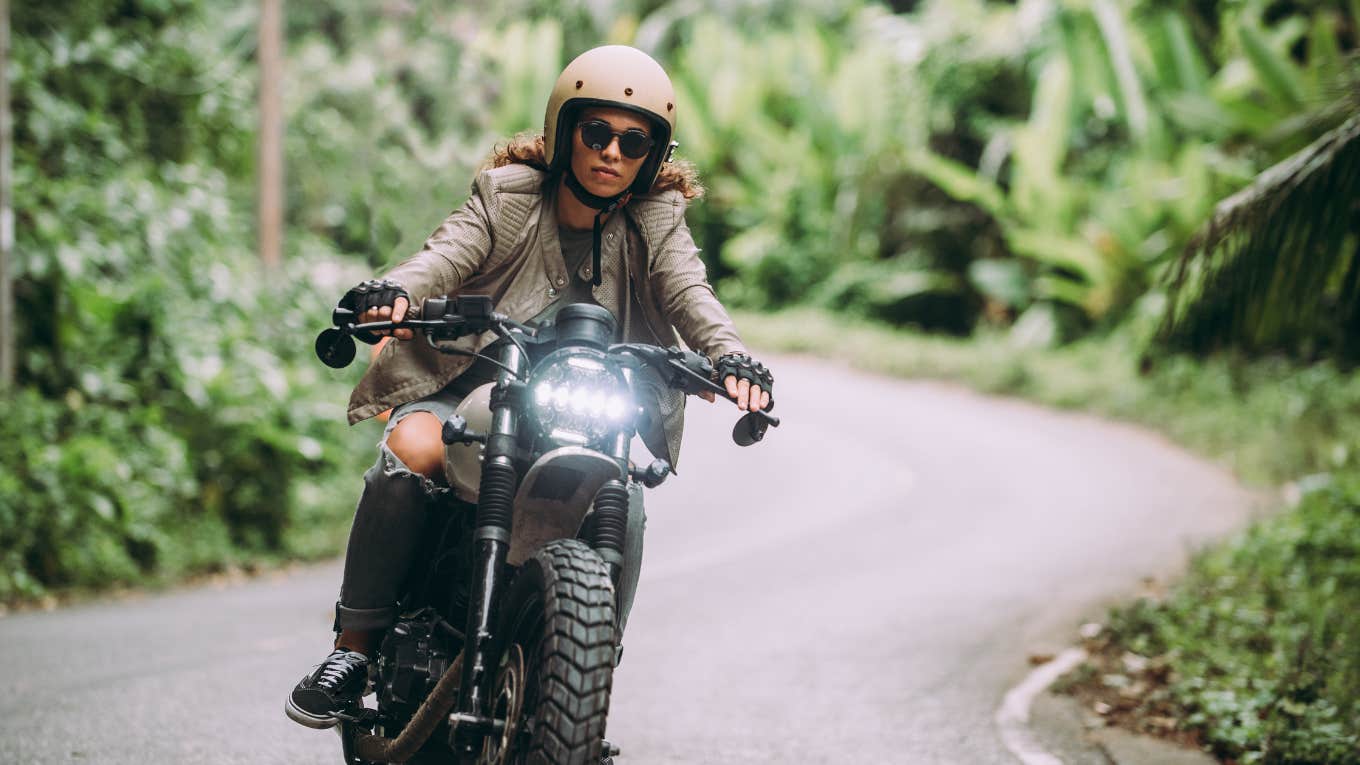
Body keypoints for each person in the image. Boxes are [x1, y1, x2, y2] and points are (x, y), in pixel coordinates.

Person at [286, 45, 775, 730]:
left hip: (580, 408)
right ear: (563, 129)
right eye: (596, 132)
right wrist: (397, 291)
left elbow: (693, 296)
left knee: (622, 495)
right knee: (414, 449)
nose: (611, 152)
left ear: (652, 155)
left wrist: (731, 358)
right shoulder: (509, 197)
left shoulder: (656, 221)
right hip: (470, 386)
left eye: (633, 141)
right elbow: (446, 253)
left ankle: (585, 664)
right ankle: (355, 651)